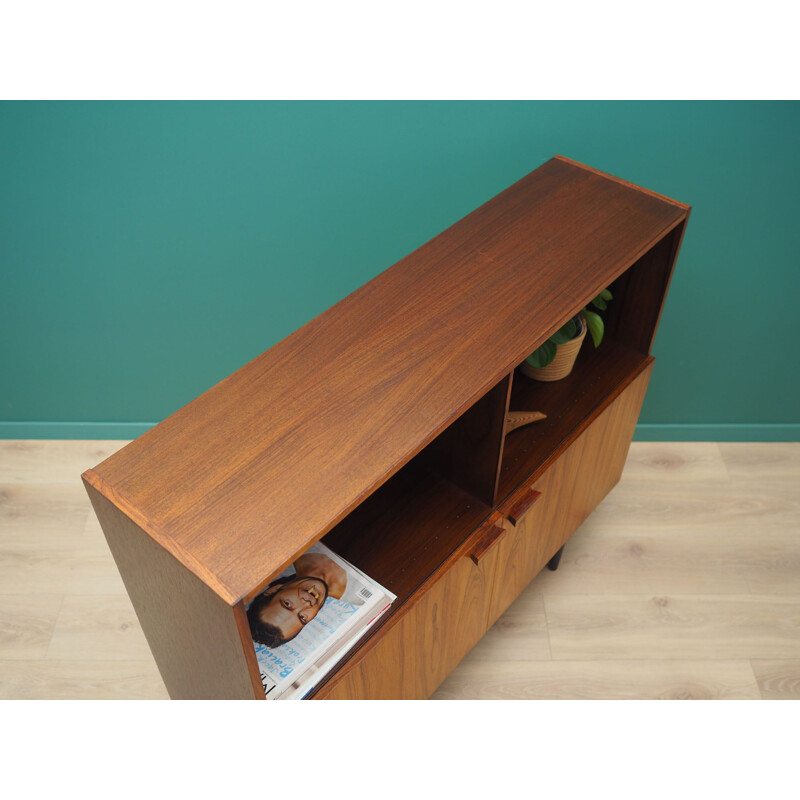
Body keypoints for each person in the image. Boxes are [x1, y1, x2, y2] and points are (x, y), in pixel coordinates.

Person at [247, 545, 351, 649]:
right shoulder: (355, 597)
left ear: (273, 590)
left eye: (287, 604)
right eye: (302, 617)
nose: (306, 603)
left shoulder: (292, 548)